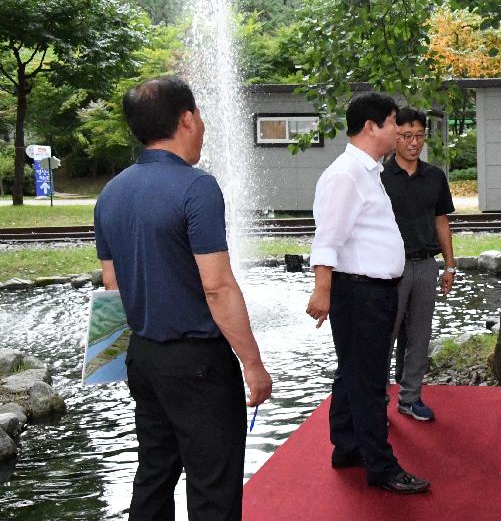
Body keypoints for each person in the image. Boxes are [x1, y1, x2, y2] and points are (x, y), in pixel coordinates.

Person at [94, 76, 273, 520]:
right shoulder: (197, 187)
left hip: (144, 358)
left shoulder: (110, 193)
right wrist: (252, 363)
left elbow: (112, 287)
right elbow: (217, 285)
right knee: (213, 483)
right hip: (198, 364)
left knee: (154, 472)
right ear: (187, 118)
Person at [305, 93, 429, 495]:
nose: (398, 131)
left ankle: (348, 446)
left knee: (352, 375)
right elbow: (328, 238)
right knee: (370, 381)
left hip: (371, 290)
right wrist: (322, 290)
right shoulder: (346, 174)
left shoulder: (367, 171)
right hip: (359, 293)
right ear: (372, 127)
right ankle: (381, 465)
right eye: (393, 123)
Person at [381, 107, 456, 422]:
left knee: (419, 335)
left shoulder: (435, 176)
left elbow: (441, 222)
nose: (414, 142)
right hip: (390, 269)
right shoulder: (379, 177)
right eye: (406, 136)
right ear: (395, 136)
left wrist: (449, 265)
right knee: (385, 334)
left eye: (419, 136)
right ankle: (378, 400)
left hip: (426, 265)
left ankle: (410, 397)